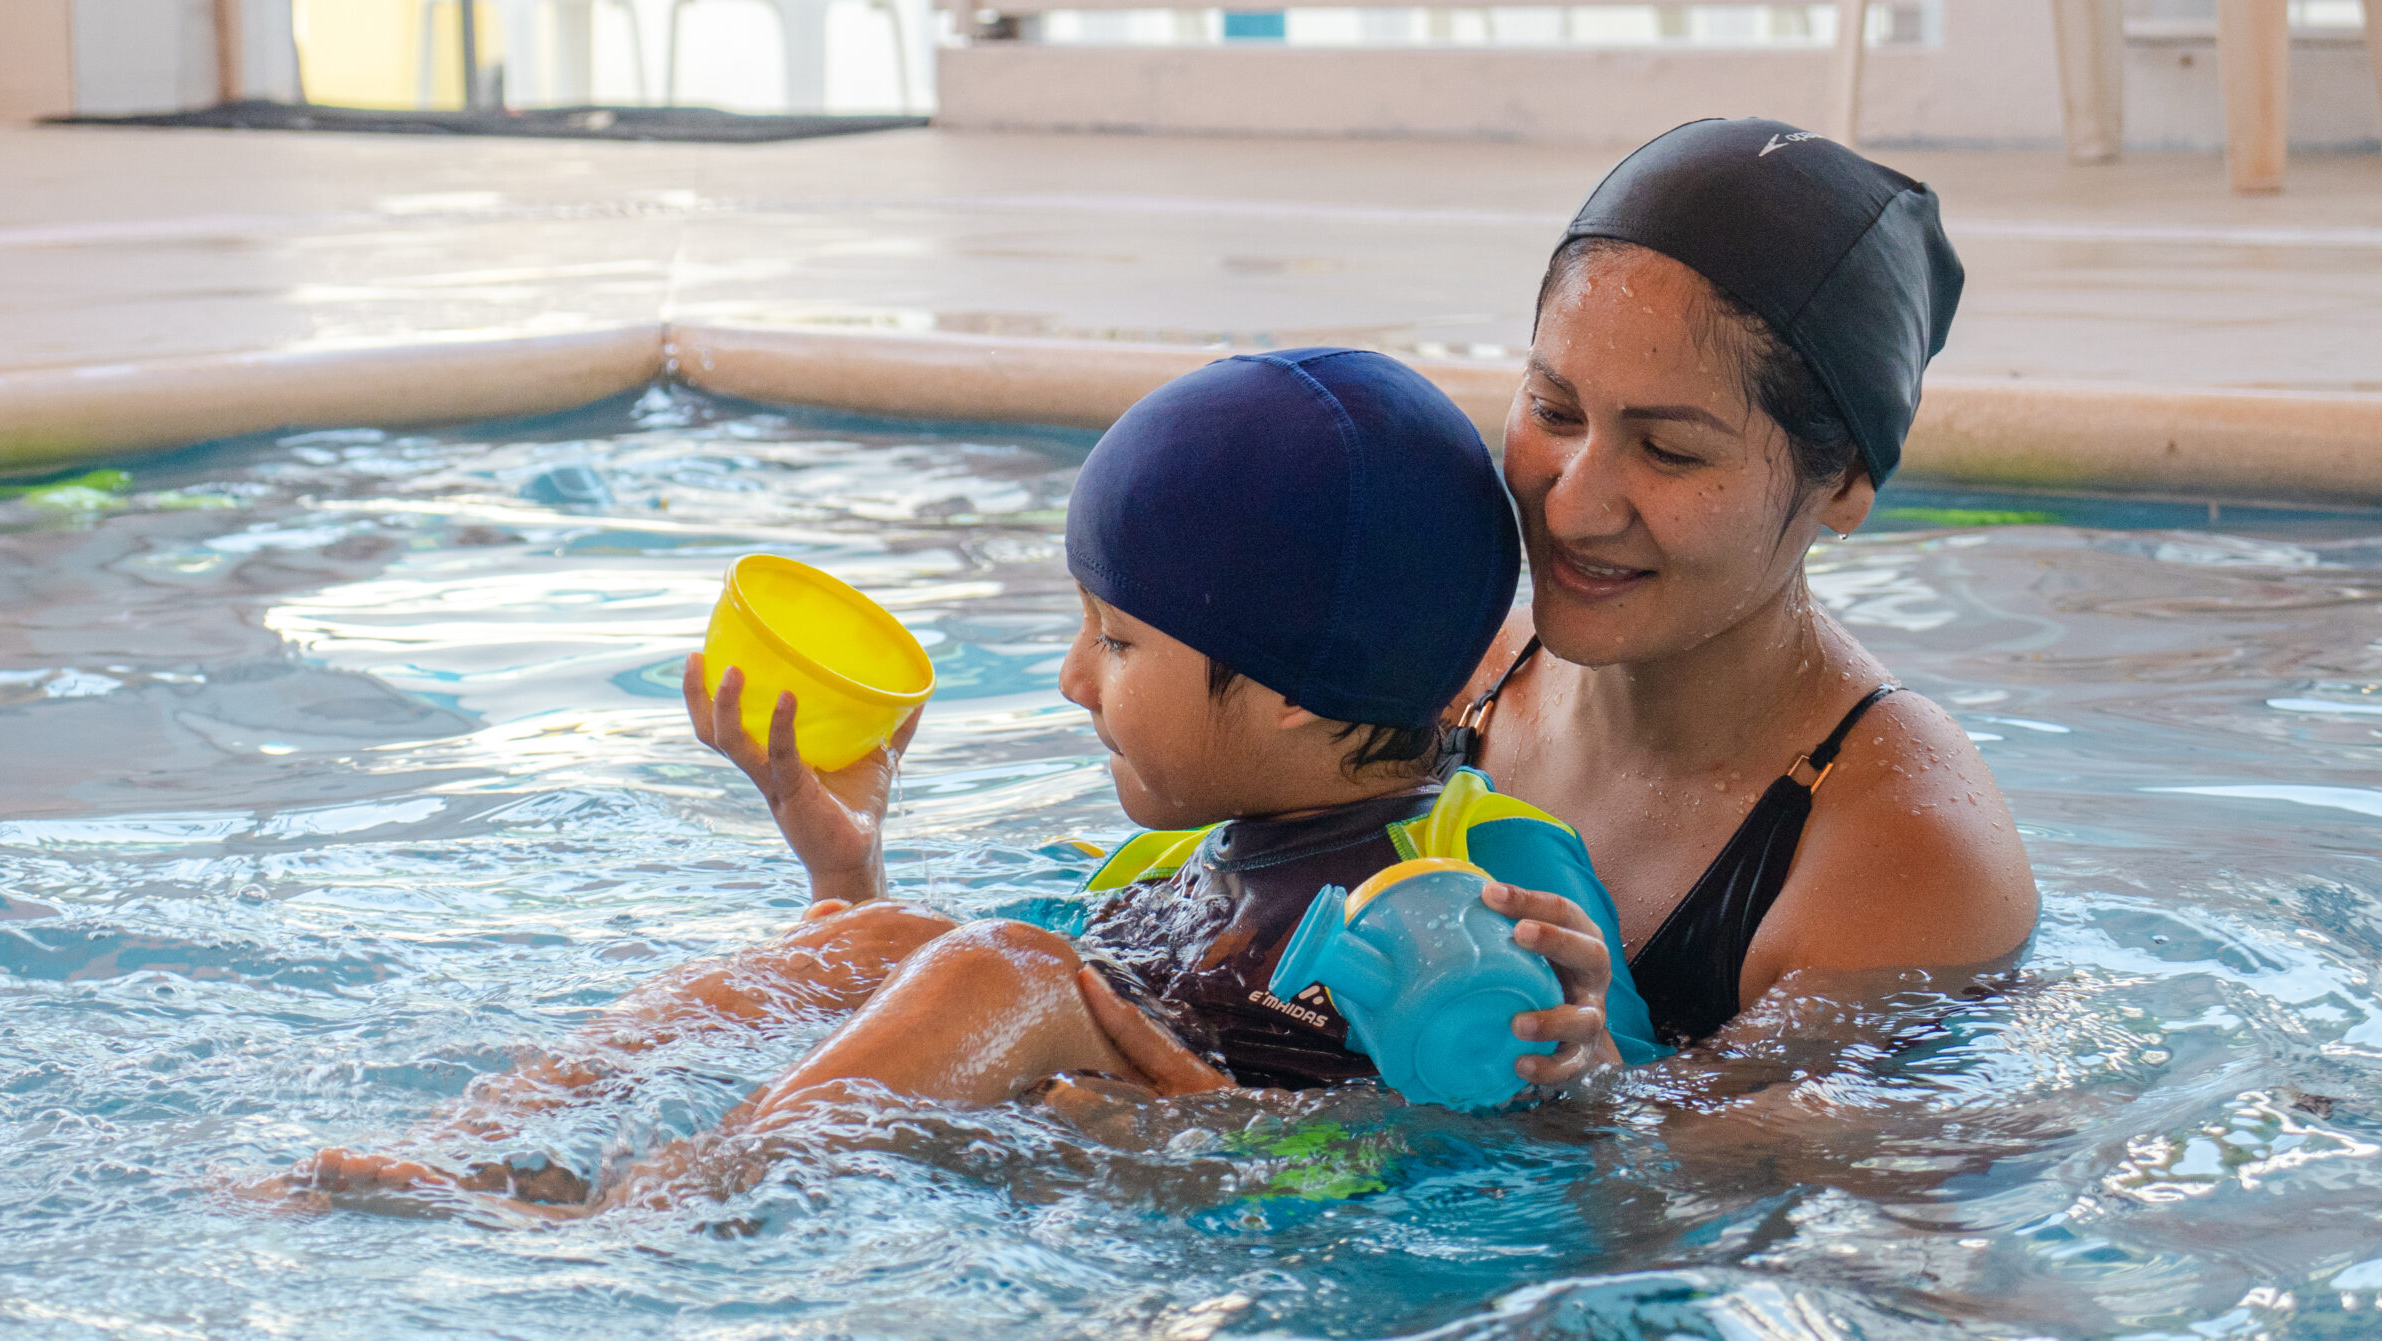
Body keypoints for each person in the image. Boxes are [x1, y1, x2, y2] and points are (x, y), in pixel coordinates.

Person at [272, 348, 1658, 1214]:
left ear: (1292, 688)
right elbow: (951, 1025)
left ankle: (641, 1210)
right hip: (1105, 1141)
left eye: (1116, 640)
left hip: (1237, 1187)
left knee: (1008, 961)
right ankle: (471, 1137)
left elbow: (1596, 1135)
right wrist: (842, 872)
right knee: (879, 937)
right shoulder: (1171, 872)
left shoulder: (1494, 864)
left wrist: (1578, 1072)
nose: (1070, 679)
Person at [1428, 118, 2040, 1079]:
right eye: (1554, 410)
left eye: (1669, 451)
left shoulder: (1907, 854)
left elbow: (1719, 1195)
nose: (1573, 504)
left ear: (1839, 487)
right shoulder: (1451, 680)